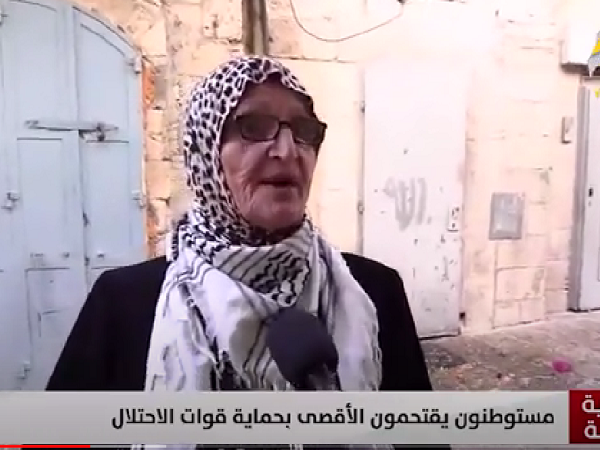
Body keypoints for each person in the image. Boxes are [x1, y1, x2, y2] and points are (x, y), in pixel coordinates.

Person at [48, 56, 442, 448]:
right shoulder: (124, 304)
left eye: (303, 130)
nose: (287, 151)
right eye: (254, 126)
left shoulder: (375, 291)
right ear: (205, 152)